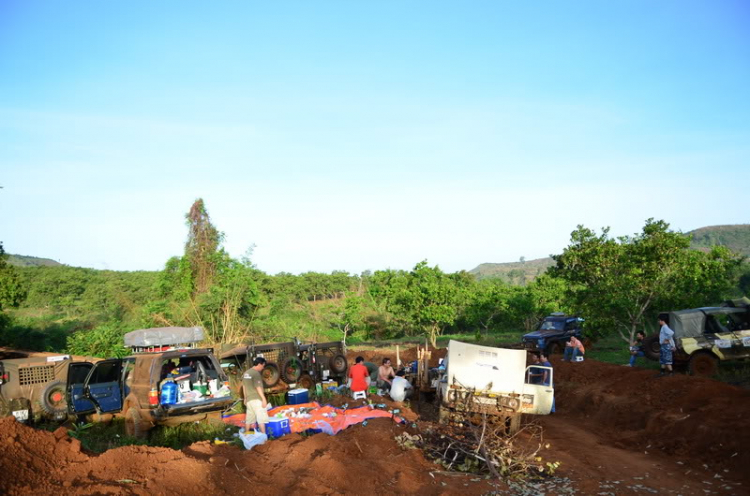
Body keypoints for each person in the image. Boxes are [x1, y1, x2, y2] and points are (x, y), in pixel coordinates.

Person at [243, 357, 269, 434]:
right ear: (259, 364)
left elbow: (244, 386)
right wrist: (263, 399)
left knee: (249, 420)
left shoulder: (246, 373)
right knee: (261, 419)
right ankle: (264, 440)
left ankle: (247, 436)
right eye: (263, 366)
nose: (263, 368)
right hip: (256, 400)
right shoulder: (256, 373)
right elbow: (258, 387)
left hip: (249, 400)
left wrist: (245, 398)